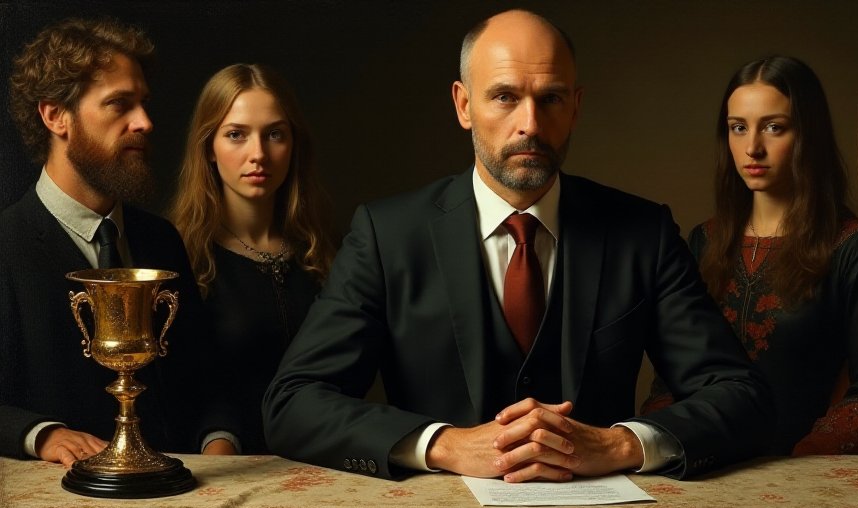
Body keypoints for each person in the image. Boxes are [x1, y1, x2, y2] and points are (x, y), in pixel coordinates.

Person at [263, 9, 774, 483]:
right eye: (505, 96)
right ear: (464, 105)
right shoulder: (387, 234)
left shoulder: (642, 232)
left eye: (550, 98)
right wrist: (444, 444)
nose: (530, 123)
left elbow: (743, 397)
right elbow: (293, 402)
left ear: (575, 108)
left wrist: (620, 445)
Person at [0, 17, 238, 467]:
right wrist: (39, 435)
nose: (145, 122)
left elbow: (204, 382)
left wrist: (219, 445)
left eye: (144, 103)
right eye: (119, 104)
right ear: (55, 116)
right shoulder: (6, 247)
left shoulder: (161, 239)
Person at [641, 56, 858, 456]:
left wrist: (797, 471)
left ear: (807, 134)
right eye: (738, 128)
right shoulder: (704, 242)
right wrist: (660, 446)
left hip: (805, 474)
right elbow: (669, 383)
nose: (752, 147)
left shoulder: (855, 249)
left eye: (774, 127)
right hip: (702, 469)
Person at [168, 63, 335, 454]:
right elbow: (182, 393)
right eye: (236, 135)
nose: (258, 154)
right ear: (208, 147)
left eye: (275, 134)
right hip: (225, 469)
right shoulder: (180, 257)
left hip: (326, 463)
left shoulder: (324, 251)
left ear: (294, 145)